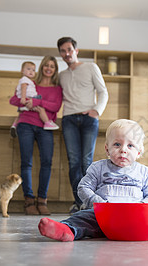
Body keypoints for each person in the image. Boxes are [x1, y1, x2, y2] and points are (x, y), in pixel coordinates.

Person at [38, 119, 148, 242]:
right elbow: (83, 187)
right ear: (107, 149)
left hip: (136, 218)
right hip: (103, 216)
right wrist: (98, 202)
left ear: (139, 152)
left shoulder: (144, 172)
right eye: (117, 144)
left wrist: (144, 207)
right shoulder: (98, 168)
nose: (123, 150)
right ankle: (66, 230)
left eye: (130, 145)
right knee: (81, 218)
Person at [57, 37, 109, 214]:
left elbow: (103, 91)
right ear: (60, 54)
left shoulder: (90, 67)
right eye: (63, 51)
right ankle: (78, 202)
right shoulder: (61, 76)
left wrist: (97, 111)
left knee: (87, 162)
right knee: (73, 162)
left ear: (76, 50)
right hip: (69, 119)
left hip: (89, 119)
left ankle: (88, 202)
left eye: (69, 49)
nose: (67, 53)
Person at [9, 55, 63, 215]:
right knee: (26, 163)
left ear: (55, 70)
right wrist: (26, 101)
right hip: (26, 124)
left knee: (46, 162)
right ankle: (29, 200)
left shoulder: (57, 88)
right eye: (46, 65)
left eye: (52, 66)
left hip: (46, 128)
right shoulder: (30, 82)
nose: (48, 68)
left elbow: (56, 106)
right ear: (41, 67)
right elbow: (14, 100)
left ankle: (42, 200)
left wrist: (37, 102)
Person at [10, 61, 58, 138]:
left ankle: (14, 125)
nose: (31, 71)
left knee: (21, 114)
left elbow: (56, 107)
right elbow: (22, 89)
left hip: (25, 101)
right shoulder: (25, 80)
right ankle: (47, 122)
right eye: (28, 69)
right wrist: (23, 98)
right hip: (29, 99)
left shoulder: (27, 81)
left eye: (33, 70)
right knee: (41, 108)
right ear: (22, 70)